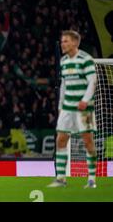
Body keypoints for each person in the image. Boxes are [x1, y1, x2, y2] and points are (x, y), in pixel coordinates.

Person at [48, 30, 98, 188]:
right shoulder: (63, 61)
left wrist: (84, 100)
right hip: (67, 108)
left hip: (84, 109)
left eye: (66, 41)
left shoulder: (86, 60)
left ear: (75, 43)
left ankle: (91, 179)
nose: (63, 44)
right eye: (62, 41)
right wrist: (60, 105)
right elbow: (63, 85)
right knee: (60, 140)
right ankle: (61, 179)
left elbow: (92, 82)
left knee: (88, 142)